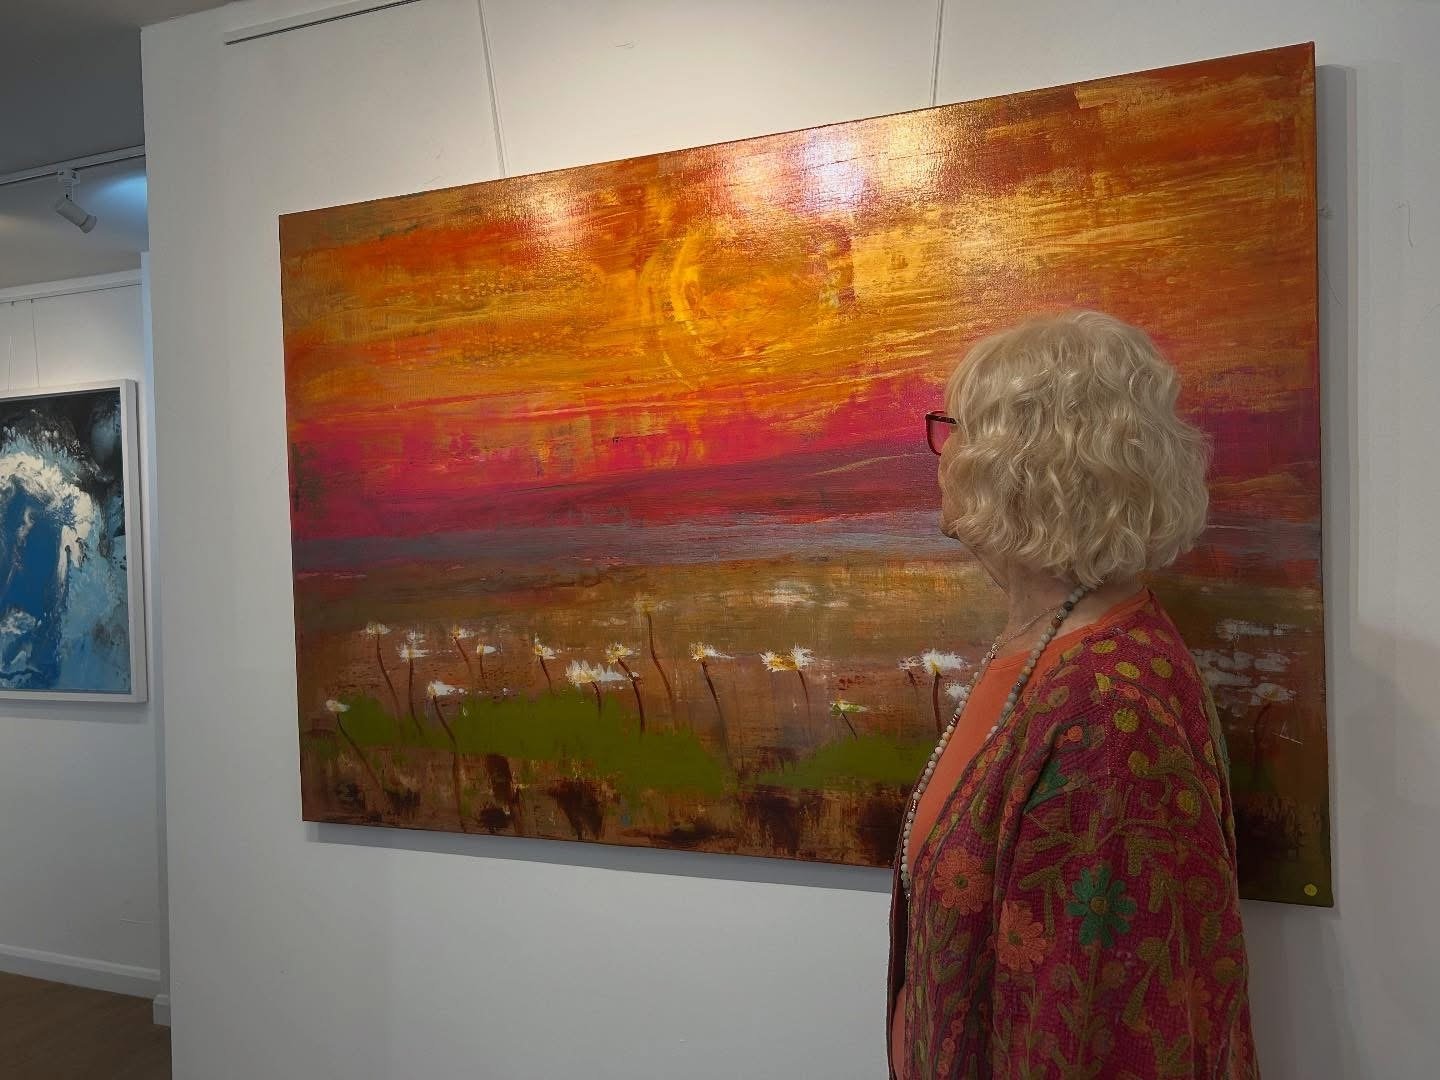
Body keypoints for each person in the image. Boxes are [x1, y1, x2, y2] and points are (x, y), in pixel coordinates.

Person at [889, 311, 1257, 1078]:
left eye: (951, 429)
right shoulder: (1045, 649)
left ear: (1015, 465)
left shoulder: (1106, 713)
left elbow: (1095, 1035)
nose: (939, 453)